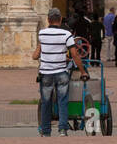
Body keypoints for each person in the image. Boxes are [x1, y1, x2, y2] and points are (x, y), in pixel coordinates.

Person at [32, 7, 88, 137]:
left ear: (48, 20)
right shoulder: (66, 35)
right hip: (61, 73)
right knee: (63, 101)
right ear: (61, 19)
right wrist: (83, 71)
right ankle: (62, 129)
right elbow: (74, 55)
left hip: (45, 73)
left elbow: (37, 54)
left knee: (46, 102)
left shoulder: (42, 34)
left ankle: (46, 131)